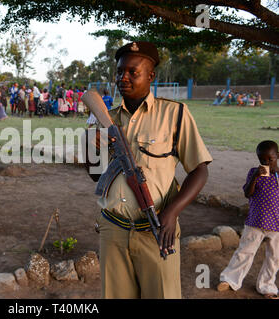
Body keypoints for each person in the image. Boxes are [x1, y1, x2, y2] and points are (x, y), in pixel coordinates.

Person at [85, 41, 212, 299]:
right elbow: (97, 176)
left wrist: (172, 213)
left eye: (133, 72)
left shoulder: (174, 113)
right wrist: (92, 148)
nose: (124, 78)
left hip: (157, 231)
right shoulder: (105, 118)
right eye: (120, 72)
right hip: (113, 230)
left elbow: (200, 169)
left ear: (151, 76)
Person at [217, 140, 278, 299]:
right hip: (256, 222)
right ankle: (230, 280)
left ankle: (267, 286)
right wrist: (255, 178)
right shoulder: (254, 172)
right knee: (244, 252)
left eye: (269, 159)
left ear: (277, 156)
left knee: (274, 258)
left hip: (277, 224)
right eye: (262, 160)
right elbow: (247, 193)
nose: (266, 163)